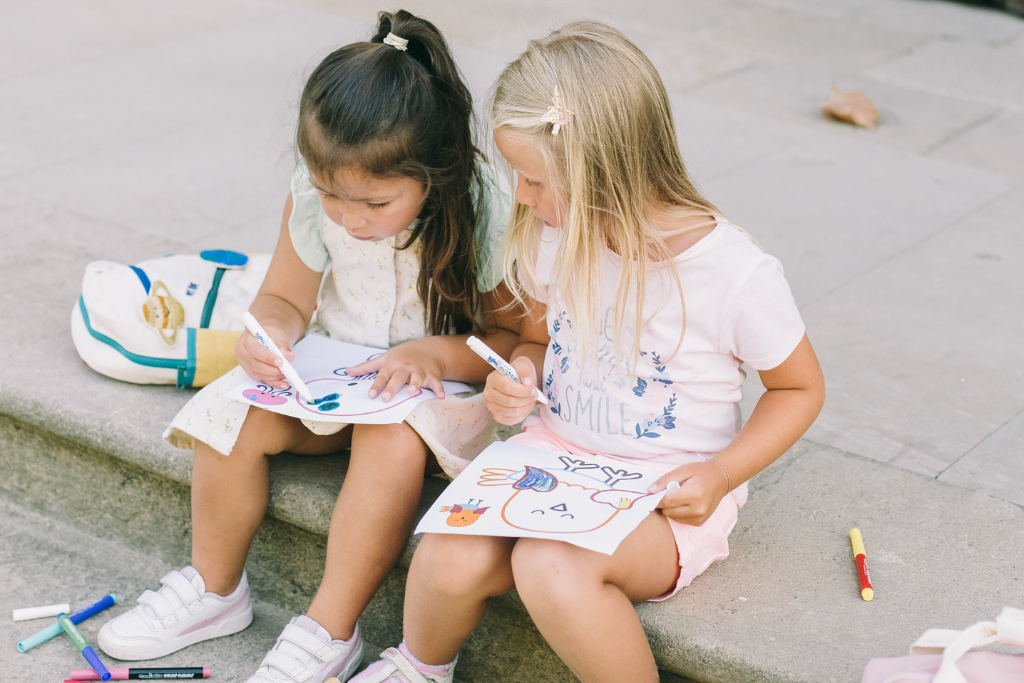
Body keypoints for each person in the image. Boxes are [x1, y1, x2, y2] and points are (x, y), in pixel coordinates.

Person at [352, 20, 825, 683]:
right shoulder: (561, 233)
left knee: (550, 566)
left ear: (609, 169)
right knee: (449, 548)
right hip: (556, 454)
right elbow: (543, 339)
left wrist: (721, 474)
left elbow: (799, 388)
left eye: (534, 179)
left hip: (663, 491)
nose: (520, 195)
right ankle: (417, 666)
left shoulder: (735, 274)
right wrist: (521, 373)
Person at [97, 11, 517, 683]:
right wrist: (268, 338)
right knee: (228, 410)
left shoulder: (482, 206)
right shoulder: (319, 193)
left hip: (440, 395)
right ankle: (213, 587)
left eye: (374, 204)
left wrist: (435, 355)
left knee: (389, 438)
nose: (349, 218)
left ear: (432, 176)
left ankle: (327, 630)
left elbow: (513, 338)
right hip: (337, 377)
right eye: (331, 195)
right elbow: (284, 301)